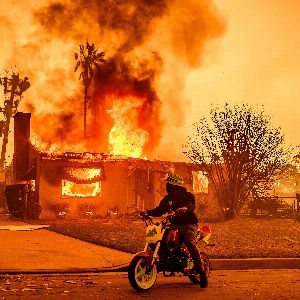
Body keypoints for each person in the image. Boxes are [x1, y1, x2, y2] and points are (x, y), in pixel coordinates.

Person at [144, 173, 205, 281]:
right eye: (167, 184)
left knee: (190, 243)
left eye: (169, 184)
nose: (167, 186)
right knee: (160, 239)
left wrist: (185, 208)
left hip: (188, 224)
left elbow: (191, 206)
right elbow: (159, 210)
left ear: (175, 185)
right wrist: (147, 212)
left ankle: (200, 270)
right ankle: (164, 260)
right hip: (173, 225)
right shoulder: (167, 199)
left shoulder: (187, 195)